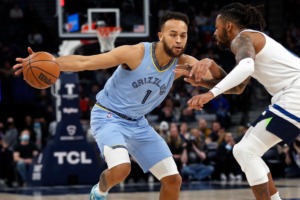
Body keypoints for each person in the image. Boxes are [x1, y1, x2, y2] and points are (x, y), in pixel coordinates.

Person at [13, 11, 224, 200]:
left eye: (183, 35)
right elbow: (85, 62)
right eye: (173, 34)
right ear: (160, 36)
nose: (179, 40)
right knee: (122, 168)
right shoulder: (135, 53)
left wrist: (209, 66)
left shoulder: (185, 62)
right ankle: (100, 191)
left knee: (173, 180)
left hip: (139, 123)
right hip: (108, 116)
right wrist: (49, 63)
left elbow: (224, 82)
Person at [175, 2, 300, 200]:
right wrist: (206, 82)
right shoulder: (249, 40)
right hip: (288, 96)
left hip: (295, 94)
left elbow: (247, 67)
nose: (214, 32)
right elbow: (239, 87)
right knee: (246, 151)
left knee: (245, 151)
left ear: (229, 26)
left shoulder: (242, 38)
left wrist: (211, 94)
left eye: (217, 27)